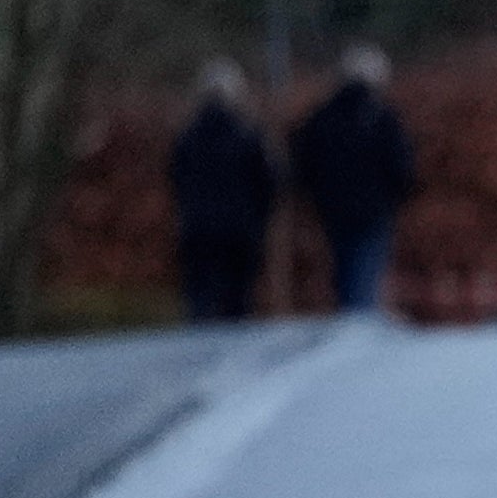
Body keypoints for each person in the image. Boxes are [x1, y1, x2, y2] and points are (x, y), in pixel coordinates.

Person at [289, 47, 419, 316]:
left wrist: (318, 198)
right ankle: (358, 337)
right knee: (365, 277)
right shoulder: (382, 118)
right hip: (373, 211)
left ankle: (350, 328)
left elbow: (303, 166)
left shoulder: (321, 117)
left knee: (344, 275)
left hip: (332, 211)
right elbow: (401, 166)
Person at [170, 66, 276, 323]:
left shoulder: (189, 137)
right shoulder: (249, 136)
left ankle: (197, 358)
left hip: (199, 230)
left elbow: (176, 178)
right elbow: (270, 182)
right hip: (240, 231)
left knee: (200, 303)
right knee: (237, 305)